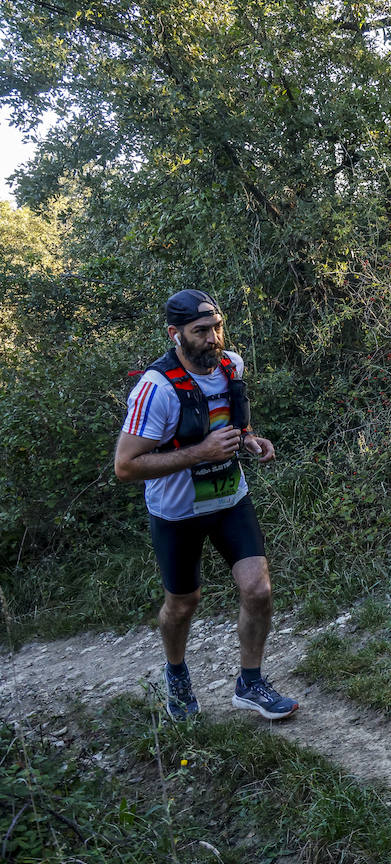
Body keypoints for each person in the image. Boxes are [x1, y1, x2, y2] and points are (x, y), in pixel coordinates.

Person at [115, 290, 297, 720]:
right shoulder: (154, 390)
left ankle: (250, 683)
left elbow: (231, 422)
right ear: (174, 334)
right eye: (201, 331)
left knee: (258, 589)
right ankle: (176, 675)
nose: (213, 338)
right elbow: (126, 466)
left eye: (217, 327)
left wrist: (249, 439)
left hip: (229, 498)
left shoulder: (231, 364)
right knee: (184, 602)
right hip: (176, 512)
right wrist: (201, 453)